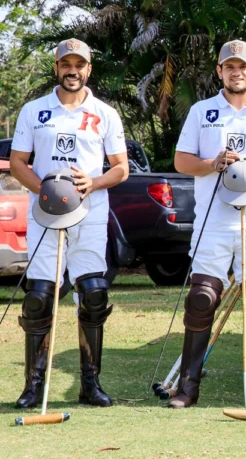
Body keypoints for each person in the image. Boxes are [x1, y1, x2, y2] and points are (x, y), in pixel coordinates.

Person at [167, 40, 246, 409]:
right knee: (202, 297)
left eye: (243, 66)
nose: (237, 72)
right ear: (220, 71)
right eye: (229, 67)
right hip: (214, 218)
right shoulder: (202, 112)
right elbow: (181, 161)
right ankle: (187, 387)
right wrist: (212, 163)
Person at [10, 38, 130, 408]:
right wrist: (45, 191)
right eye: (66, 64)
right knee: (38, 297)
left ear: (88, 69)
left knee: (93, 294)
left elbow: (121, 168)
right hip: (45, 214)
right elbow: (18, 163)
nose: (72, 71)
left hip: (90, 214)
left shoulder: (105, 114)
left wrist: (93, 182)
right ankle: (33, 386)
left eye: (79, 65)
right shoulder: (34, 111)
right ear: (56, 68)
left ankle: (90, 384)